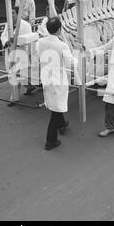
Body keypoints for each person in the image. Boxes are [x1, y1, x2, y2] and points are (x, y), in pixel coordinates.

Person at [37, 17, 77, 150]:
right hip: (57, 80)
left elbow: (38, 56)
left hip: (46, 78)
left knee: (56, 104)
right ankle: (50, 141)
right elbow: (71, 63)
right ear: (59, 29)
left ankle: (62, 124)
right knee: (56, 108)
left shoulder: (40, 42)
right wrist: (78, 56)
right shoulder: (62, 45)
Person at [1, 6, 35, 106]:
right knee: (15, 74)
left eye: (13, 13)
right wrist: (6, 41)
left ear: (18, 14)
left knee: (14, 75)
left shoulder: (26, 25)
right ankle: (29, 86)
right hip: (10, 52)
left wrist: (18, 42)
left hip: (21, 53)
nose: (11, 15)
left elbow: (29, 39)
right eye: (10, 13)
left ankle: (14, 98)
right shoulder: (8, 24)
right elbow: (3, 35)